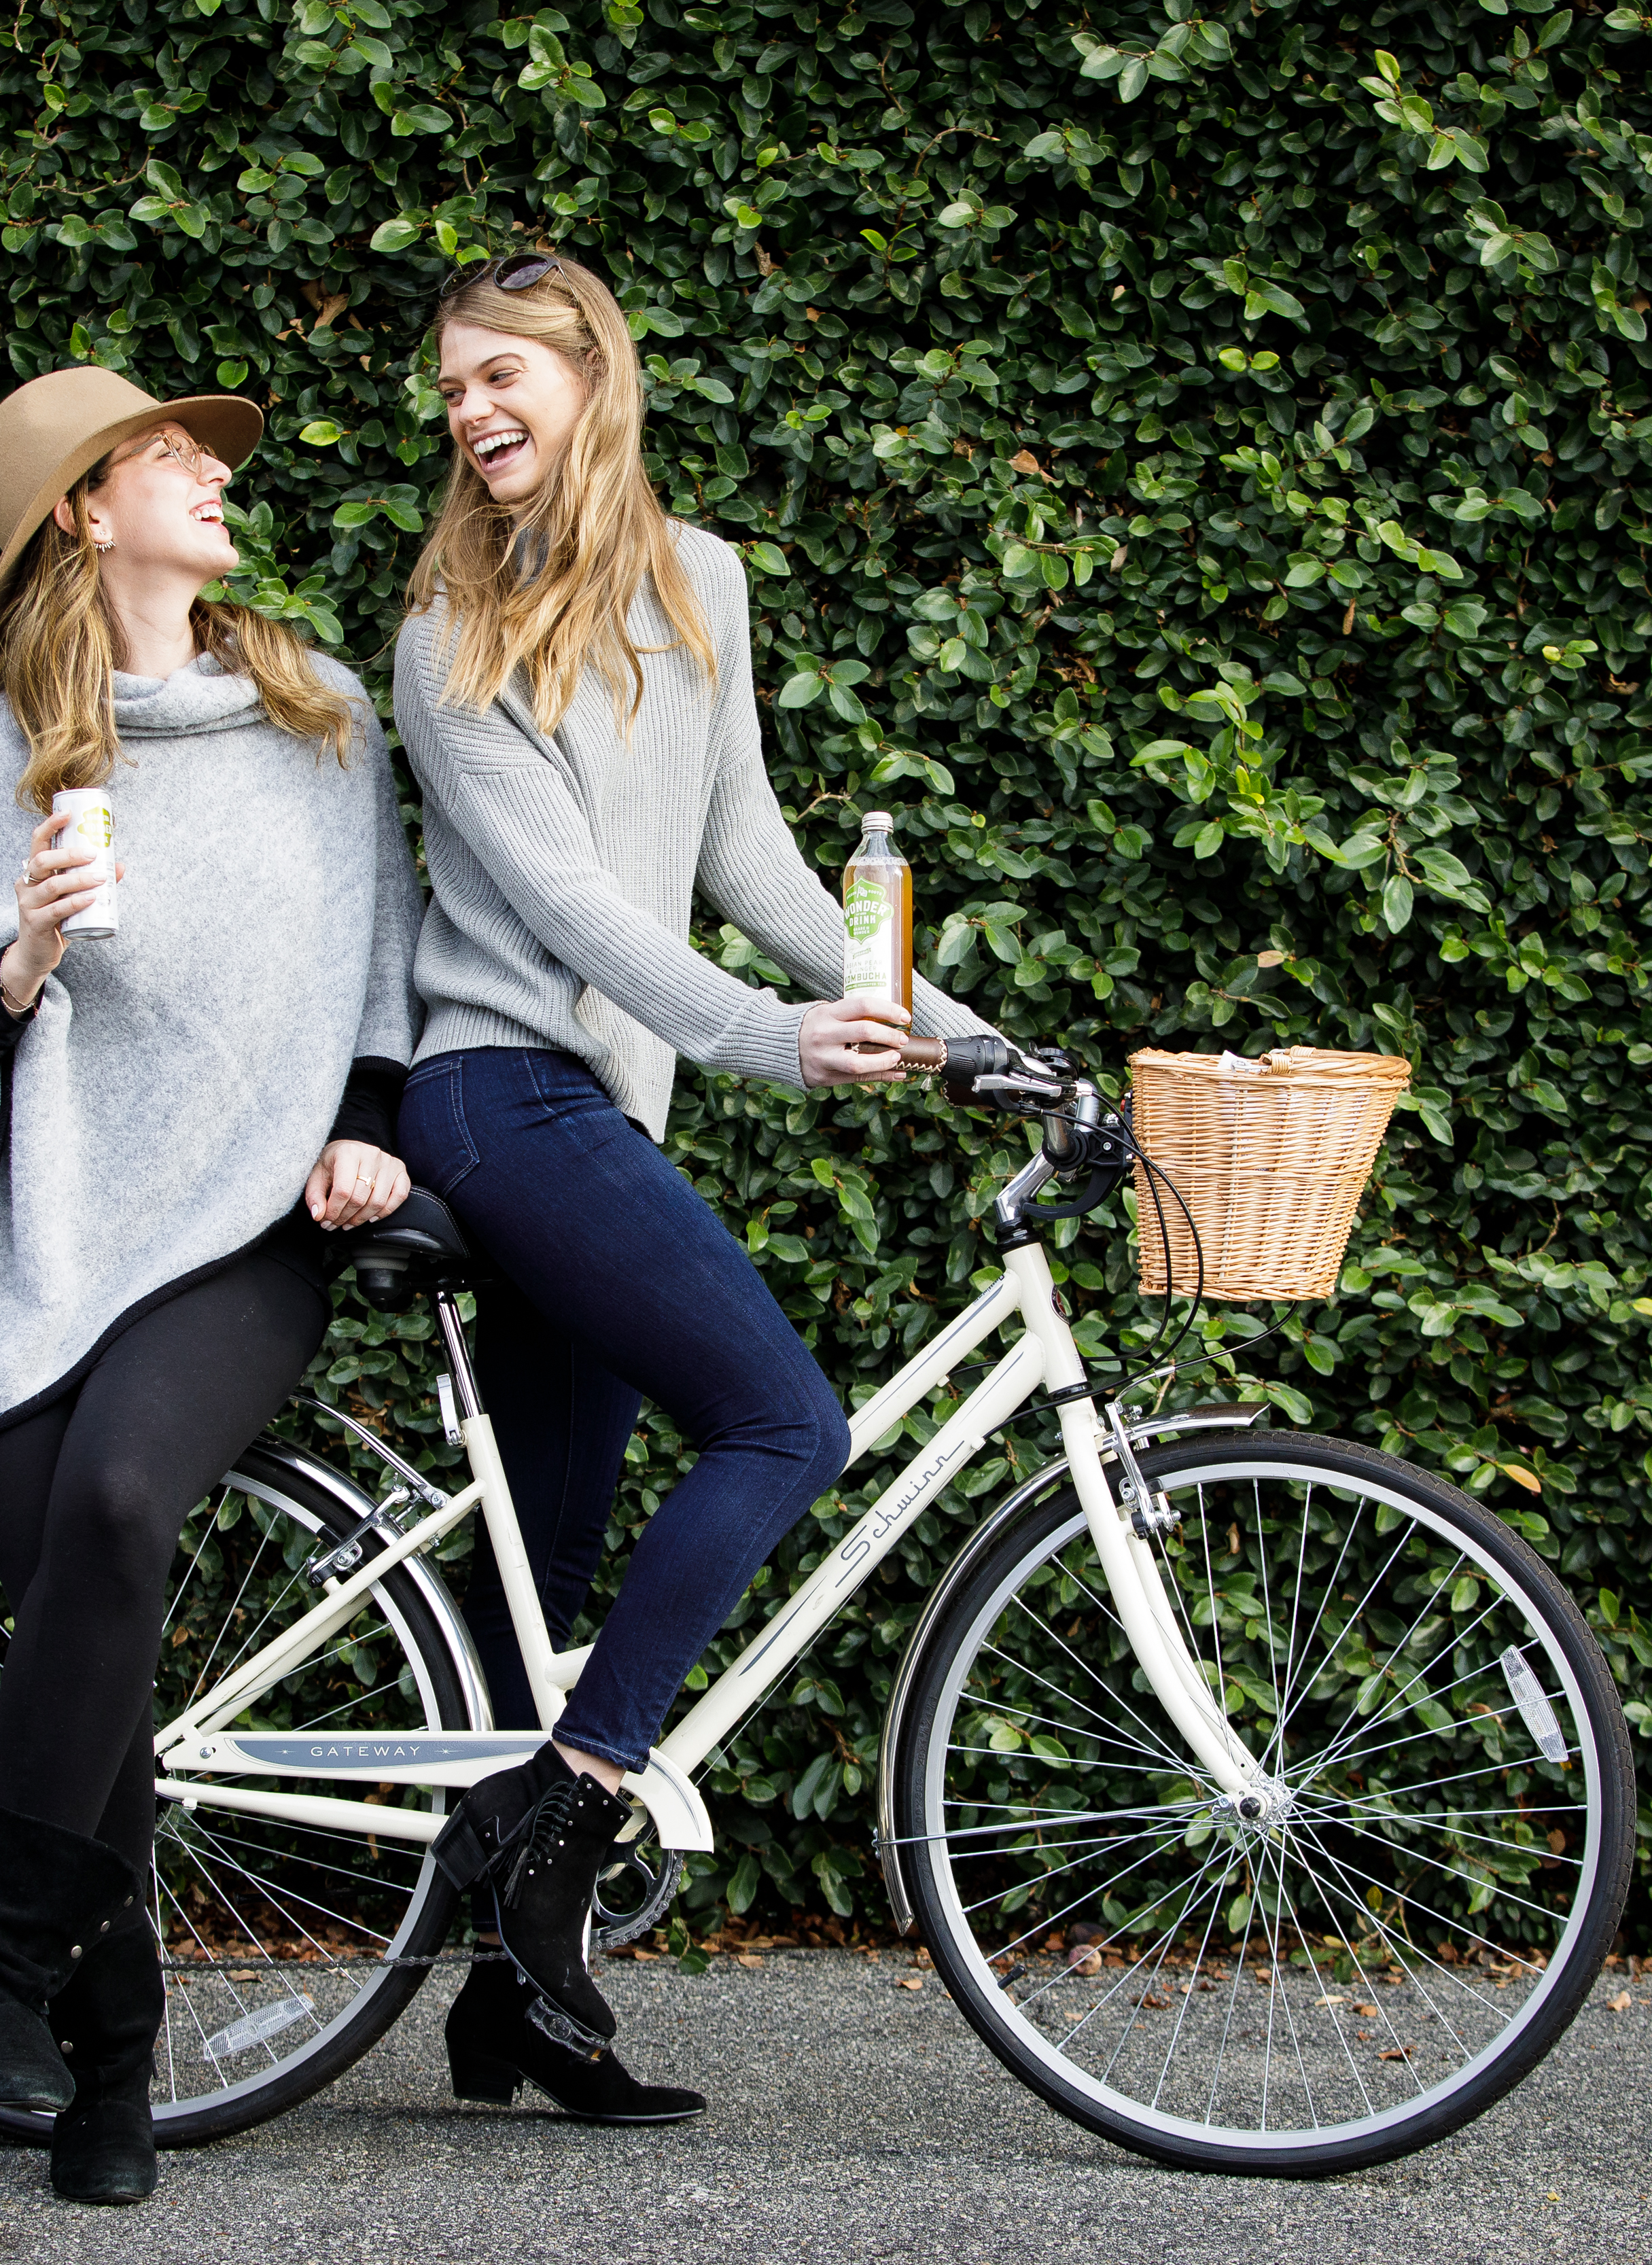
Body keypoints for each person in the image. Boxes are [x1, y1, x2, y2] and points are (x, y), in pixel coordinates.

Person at [389, 253, 996, 2121]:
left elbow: (759, 864)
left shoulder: (699, 583)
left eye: (503, 376)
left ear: (592, 373)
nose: (473, 412)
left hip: (602, 1119)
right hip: (498, 1099)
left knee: (550, 1575)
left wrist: (976, 1042)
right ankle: (572, 1815)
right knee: (784, 1421)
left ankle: (513, 2017)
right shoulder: (445, 636)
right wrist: (764, 1041)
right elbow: (571, 908)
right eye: (453, 393)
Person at [0, 368, 420, 2205]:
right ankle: (118, 2065)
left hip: (240, 1229)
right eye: (168, 457)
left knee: (121, 1503)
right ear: (85, 509)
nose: (210, 475)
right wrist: (19, 960)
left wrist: (375, 1119)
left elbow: (381, 973)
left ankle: (7, 1959)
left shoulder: (317, 725)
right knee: (98, 1617)